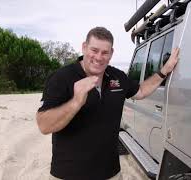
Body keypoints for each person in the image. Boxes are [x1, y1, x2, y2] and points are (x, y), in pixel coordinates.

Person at [36, 26, 179, 180]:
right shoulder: (61, 78)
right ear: (84, 47)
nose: (99, 57)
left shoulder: (116, 76)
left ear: (111, 53)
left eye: (105, 52)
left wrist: (164, 71)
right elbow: (44, 125)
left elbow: (141, 91)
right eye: (94, 50)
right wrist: (75, 102)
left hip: (111, 173)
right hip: (69, 174)